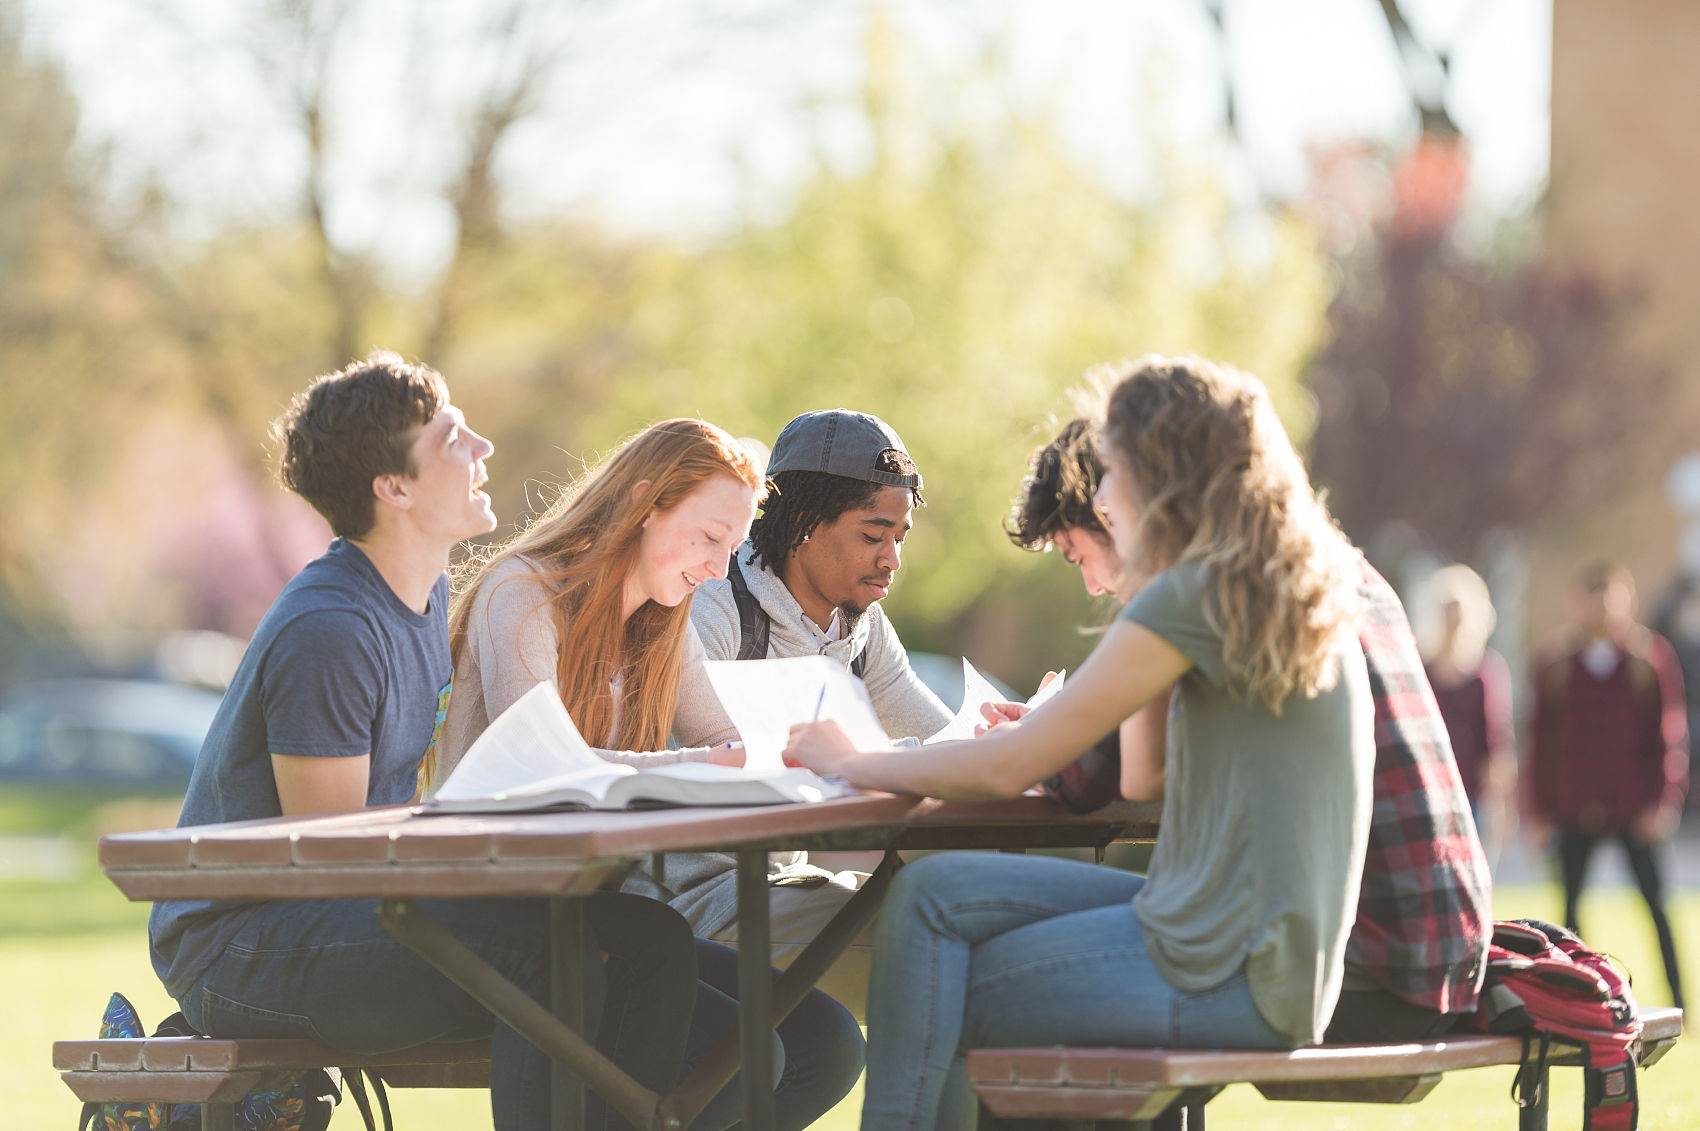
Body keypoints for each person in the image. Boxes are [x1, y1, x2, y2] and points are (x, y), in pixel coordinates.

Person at [787, 356, 1378, 1131]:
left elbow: (1009, 766)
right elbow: (1147, 770)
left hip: (1225, 960)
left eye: (1114, 470)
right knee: (932, 896)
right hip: (1262, 949)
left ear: (1163, 474)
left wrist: (850, 760)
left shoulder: (1196, 592)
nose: (1100, 494)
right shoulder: (1269, 578)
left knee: (944, 974)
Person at [146, 353, 699, 1131]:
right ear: (394, 487)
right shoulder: (331, 630)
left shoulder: (423, 591)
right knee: (548, 956)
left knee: (651, 941)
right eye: (452, 438)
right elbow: (333, 858)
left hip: (338, 913)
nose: (483, 447)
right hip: (241, 947)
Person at [431, 418, 865, 1131]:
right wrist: (709, 760)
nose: (720, 567)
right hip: (499, 918)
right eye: (707, 537)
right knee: (741, 1064)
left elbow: (731, 739)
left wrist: (819, 753)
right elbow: (547, 763)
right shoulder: (524, 590)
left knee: (827, 1041)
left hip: (604, 914)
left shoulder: (664, 620)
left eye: (732, 545)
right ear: (644, 503)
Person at [1003, 416, 1491, 1044]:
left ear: (1120, 511)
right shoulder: (1339, 568)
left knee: (1010, 973)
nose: (1095, 584)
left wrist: (1044, 728)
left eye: (1080, 555)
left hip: (1357, 968)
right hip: (1443, 950)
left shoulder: (1218, 592)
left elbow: (1081, 781)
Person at [682, 409, 954, 1006]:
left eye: (899, 538)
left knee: (967, 918)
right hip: (698, 904)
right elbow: (761, 766)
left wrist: (997, 734)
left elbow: (937, 735)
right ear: (804, 519)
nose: (892, 560)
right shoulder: (715, 602)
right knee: (950, 949)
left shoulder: (861, 627)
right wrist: (898, 759)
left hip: (783, 883)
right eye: (872, 535)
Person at [1528, 561, 1689, 1009]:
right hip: (1573, 807)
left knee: (1656, 909)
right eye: (1591, 596)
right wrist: (1538, 811)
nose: (1600, 607)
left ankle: (1680, 1004)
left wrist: (1662, 800)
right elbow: (1539, 741)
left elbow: (1668, 735)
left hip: (1633, 808)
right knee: (1570, 916)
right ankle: (1577, 1001)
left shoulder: (1647, 660)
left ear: (1627, 599)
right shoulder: (1555, 665)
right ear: (1576, 602)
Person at [1419, 563, 1517, 863]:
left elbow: (1496, 737)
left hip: (1473, 791)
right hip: (1428, 789)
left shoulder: (1485, 672)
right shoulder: (1421, 669)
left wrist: (1501, 800)